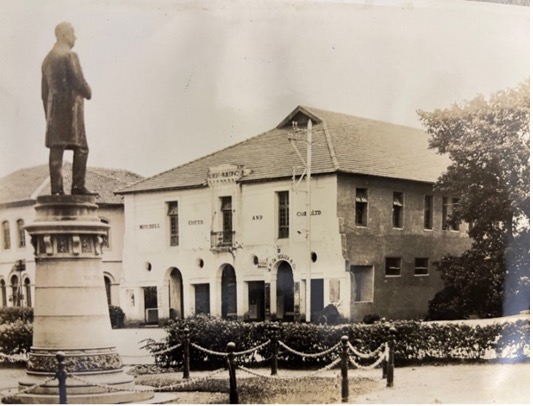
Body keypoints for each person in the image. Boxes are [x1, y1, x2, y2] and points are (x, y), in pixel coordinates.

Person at [42, 22, 94, 195]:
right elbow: (80, 82)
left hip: (54, 113)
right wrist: (89, 92)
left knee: (56, 149)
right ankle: (77, 186)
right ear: (63, 35)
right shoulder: (70, 56)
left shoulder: (47, 60)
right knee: (81, 148)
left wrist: (48, 116)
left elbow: (43, 93)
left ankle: (56, 190)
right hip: (71, 112)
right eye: (73, 33)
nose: (75, 37)